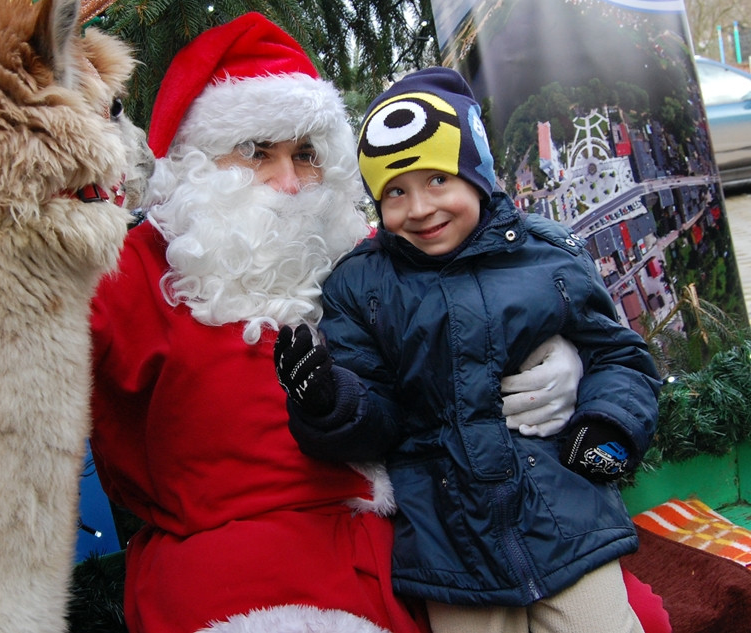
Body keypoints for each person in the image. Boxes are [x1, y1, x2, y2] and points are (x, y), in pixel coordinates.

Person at [0, 14, 669, 633]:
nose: (288, 181)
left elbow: (495, 291)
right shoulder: (135, 266)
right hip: (243, 571)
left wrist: (562, 357)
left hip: (434, 541)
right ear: (195, 165)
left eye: (307, 154)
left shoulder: (374, 247)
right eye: (257, 151)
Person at [273, 67, 661, 633]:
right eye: (396, 192)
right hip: (450, 540)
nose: (421, 208)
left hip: (568, 514)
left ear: (476, 175)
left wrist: (607, 425)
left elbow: (619, 357)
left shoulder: (546, 255)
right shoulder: (361, 285)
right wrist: (331, 403)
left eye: (438, 181)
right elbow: (377, 413)